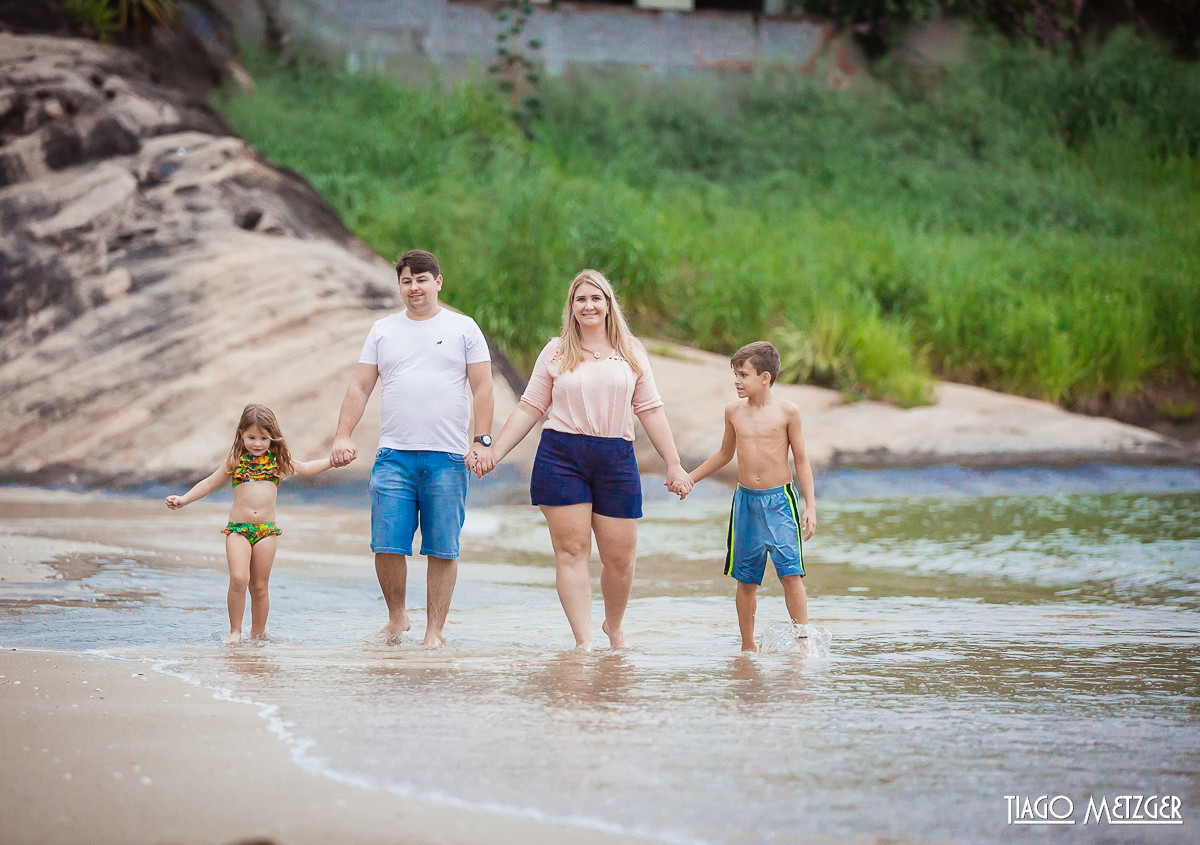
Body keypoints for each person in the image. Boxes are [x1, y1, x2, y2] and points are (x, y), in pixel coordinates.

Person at [472, 269, 692, 650]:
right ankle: (583, 643)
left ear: (609, 305)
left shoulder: (631, 351)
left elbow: (651, 410)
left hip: (616, 458)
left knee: (620, 560)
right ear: (571, 308)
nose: (588, 305)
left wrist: (673, 463)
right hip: (562, 455)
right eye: (580, 299)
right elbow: (530, 407)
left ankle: (614, 627)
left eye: (596, 298)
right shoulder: (555, 351)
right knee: (572, 552)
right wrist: (495, 452)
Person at [330, 249, 494, 647]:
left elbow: (483, 387)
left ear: (438, 282)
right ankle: (397, 617)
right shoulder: (383, 330)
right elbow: (360, 386)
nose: (414, 287)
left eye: (421, 279)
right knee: (386, 544)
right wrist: (343, 435)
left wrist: (482, 441)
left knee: (442, 549)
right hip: (394, 456)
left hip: (448, 457)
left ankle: (434, 632)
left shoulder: (464, 328)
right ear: (399, 286)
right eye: (406, 280)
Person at [686, 341, 817, 653]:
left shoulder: (788, 413)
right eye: (735, 373)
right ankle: (748, 648)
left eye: (743, 374)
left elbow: (801, 460)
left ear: (765, 378)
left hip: (781, 502)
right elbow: (723, 454)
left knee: (791, 574)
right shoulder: (733, 412)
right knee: (746, 581)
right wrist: (690, 478)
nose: (737, 380)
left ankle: (803, 643)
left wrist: (810, 505)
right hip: (746, 503)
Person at [165, 404, 334, 644]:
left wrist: (333, 461)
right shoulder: (235, 461)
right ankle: (235, 631)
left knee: (260, 587)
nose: (257, 443)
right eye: (251, 437)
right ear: (241, 434)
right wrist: (184, 499)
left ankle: (258, 632)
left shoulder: (278, 461)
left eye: (263, 438)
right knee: (239, 578)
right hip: (238, 530)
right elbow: (209, 483)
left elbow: (306, 468)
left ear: (272, 437)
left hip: (266, 532)